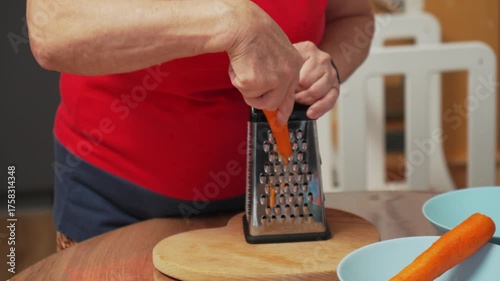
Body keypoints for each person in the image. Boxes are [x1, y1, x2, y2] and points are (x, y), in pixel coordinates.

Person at [27, 0, 374, 250]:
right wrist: (230, 21)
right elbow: (52, 31)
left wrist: (328, 67)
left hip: (270, 204)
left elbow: (354, 16)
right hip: (115, 202)